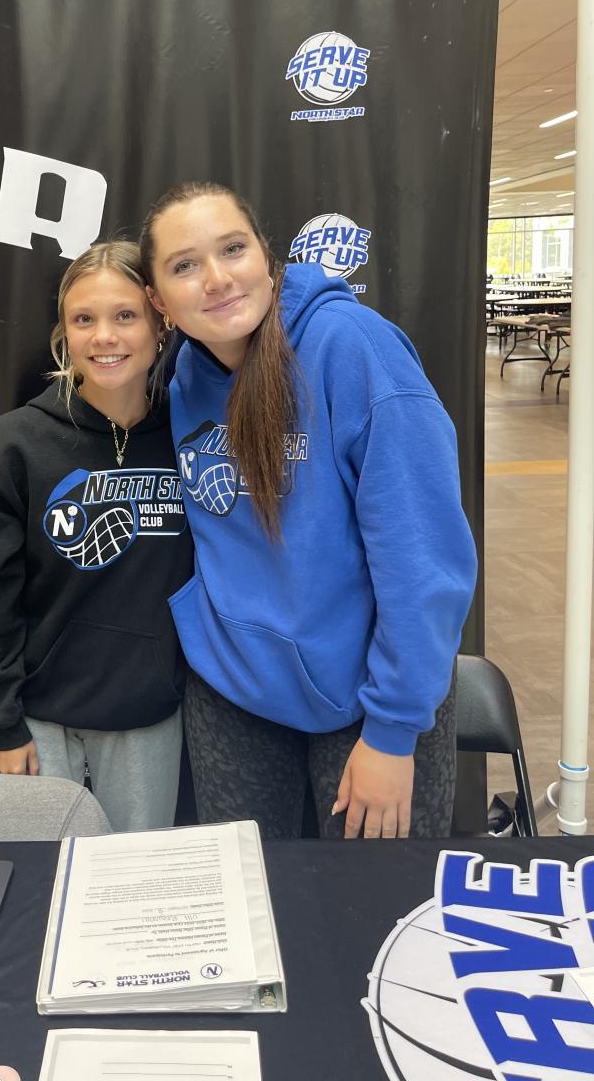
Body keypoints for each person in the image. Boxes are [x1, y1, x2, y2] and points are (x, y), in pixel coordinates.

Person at [138, 182, 478, 839]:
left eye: (232, 249)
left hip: (367, 703)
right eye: (184, 266)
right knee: (251, 892)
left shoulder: (352, 347)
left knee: (377, 896)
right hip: (233, 696)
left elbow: (422, 560)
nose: (216, 278)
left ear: (266, 256)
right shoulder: (185, 374)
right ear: (158, 300)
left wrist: (393, 729)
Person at [0, 241, 191, 833]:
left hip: (146, 714)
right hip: (38, 721)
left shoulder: (192, 434)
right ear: (64, 333)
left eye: (125, 315)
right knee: (41, 875)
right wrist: (1, 722)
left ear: (160, 322)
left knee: (135, 878)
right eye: (84, 319)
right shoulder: (14, 445)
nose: (104, 336)